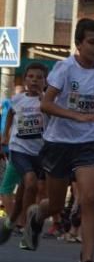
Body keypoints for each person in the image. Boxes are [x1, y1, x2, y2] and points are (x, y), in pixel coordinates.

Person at [22, 18, 94, 262]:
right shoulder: (64, 69)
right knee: (56, 205)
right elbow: (46, 105)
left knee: (89, 198)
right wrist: (75, 115)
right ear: (79, 43)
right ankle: (37, 214)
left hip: (86, 144)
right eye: (92, 42)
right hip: (58, 143)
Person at [0, 62, 48, 247]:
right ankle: (28, 227)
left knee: (25, 191)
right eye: (31, 77)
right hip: (19, 149)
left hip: (40, 152)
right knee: (29, 181)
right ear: (25, 79)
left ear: (45, 81)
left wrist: (44, 98)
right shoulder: (18, 99)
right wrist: (5, 134)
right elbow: (11, 113)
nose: (34, 80)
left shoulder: (47, 101)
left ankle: (10, 222)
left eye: (39, 77)